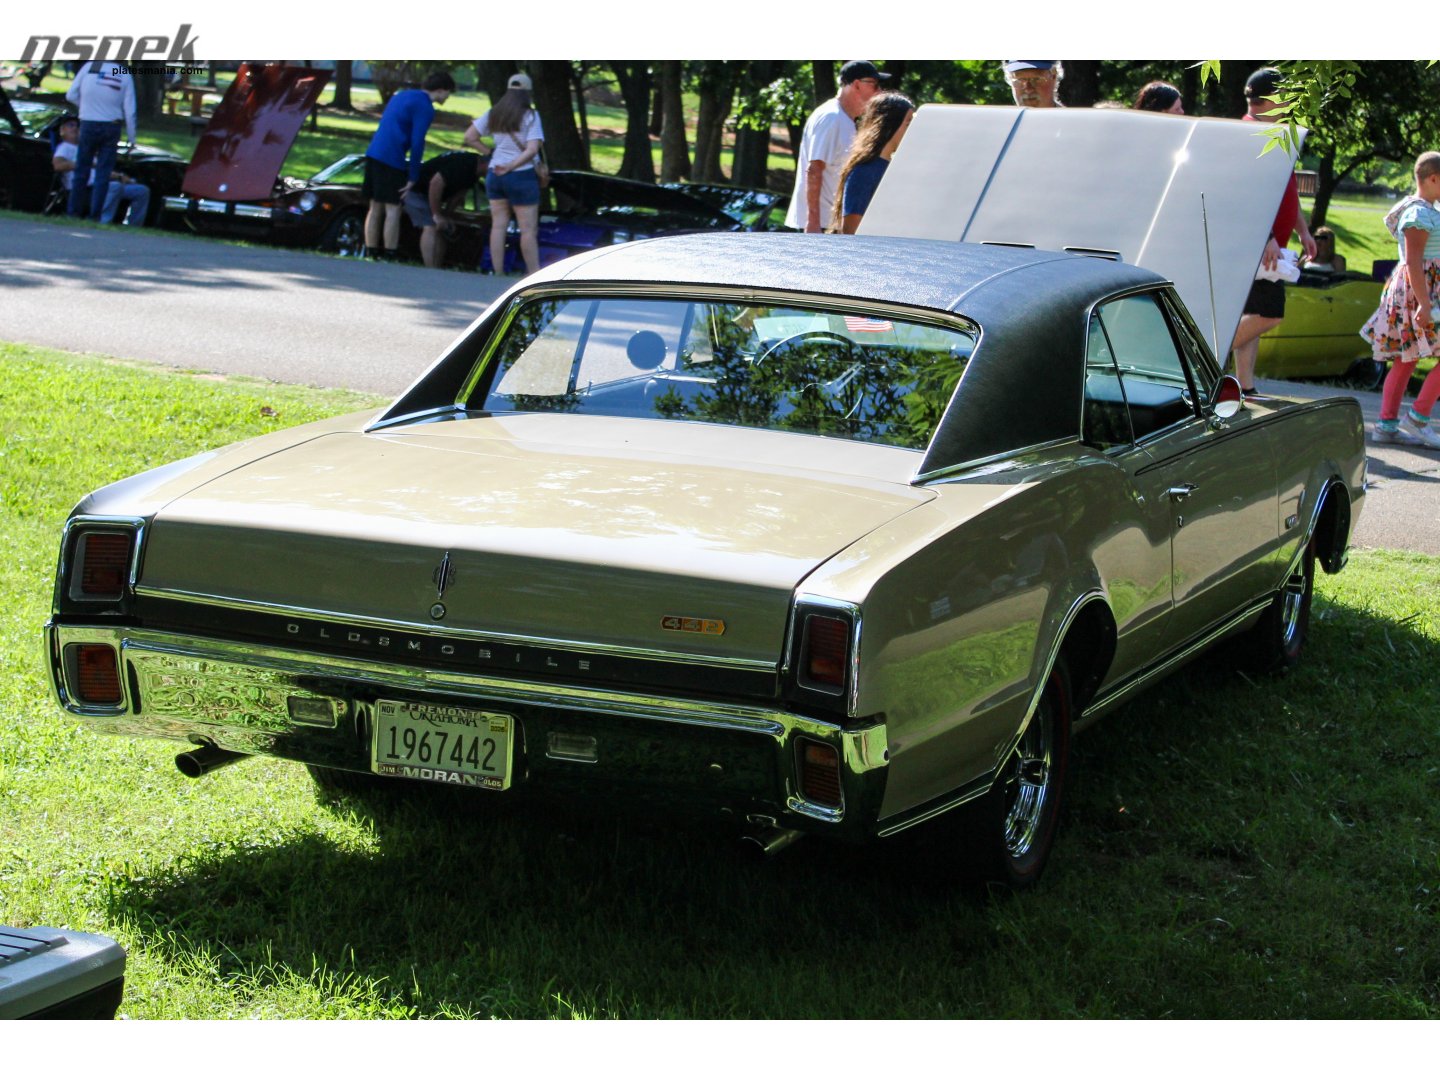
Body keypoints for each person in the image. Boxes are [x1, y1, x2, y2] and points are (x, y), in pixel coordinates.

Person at [1229, 68, 1317, 395]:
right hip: (1257, 243)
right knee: (1269, 314)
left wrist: (1304, 231)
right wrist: (1264, 236)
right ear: (1270, 99)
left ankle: (1244, 386)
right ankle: (1205, 359)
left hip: (1271, 243)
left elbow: (1287, 191)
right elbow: (1245, 193)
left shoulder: (1279, 133)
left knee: (1254, 314)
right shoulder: (1249, 134)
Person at [1360, 151, 1440, 448]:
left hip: (1421, 294)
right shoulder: (1418, 213)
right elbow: (1414, 261)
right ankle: (1417, 419)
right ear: (1433, 178)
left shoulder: (1426, 209)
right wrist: (1425, 304)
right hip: (1420, 295)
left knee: (1407, 359)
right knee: (1407, 358)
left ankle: (1386, 424)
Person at [783, 61, 887, 234]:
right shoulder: (832, 117)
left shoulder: (844, 119)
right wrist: (813, 222)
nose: (879, 91)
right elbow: (815, 169)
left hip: (830, 224)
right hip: (821, 226)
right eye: (874, 85)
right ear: (856, 85)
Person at [364, 70, 456, 261]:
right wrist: (413, 175)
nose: (447, 97)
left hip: (374, 152)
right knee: (393, 208)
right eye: (448, 93)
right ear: (440, 90)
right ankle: (390, 252)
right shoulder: (425, 107)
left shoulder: (402, 95)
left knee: (375, 206)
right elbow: (417, 142)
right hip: (392, 158)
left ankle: (370, 251)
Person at [465, 73, 546, 276]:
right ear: (528, 92)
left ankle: (497, 271)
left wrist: (490, 154)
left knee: (498, 226)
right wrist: (511, 165)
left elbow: (470, 137)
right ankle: (534, 274)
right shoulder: (531, 115)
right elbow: (532, 149)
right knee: (527, 229)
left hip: (495, 174)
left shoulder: (494, 112)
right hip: (521, 176)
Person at [833, 92, 914, 235]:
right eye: (908, 124)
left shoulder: (895, 168)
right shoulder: (864, 171)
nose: (912, 131)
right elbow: (851, 230)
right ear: (889, 124)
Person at [64, 60, 136, 220]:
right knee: (103, 173)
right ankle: (95, 214)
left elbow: (71, 95)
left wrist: (85, 107)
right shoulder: (123, 73)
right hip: (111, 125)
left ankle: (73, 212)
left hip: (88, 123)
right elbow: (130, 110)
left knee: (81, 169)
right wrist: (132, 139)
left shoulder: (89, 68)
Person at [52, 115, 150, 226]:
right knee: (115, 187)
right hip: (85, 190)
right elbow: (58, 165)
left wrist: (119, 176)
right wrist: (84, 164)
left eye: (78, 126)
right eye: (71, 125)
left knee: (141, 191)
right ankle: (102, 222)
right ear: (62, 130)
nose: (75, 128)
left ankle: (133, 226)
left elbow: (99, 170)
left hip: (102, 184)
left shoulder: (85, 149)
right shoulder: (65, 147)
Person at [403, 150, 483, 269]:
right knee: (431, 225)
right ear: (485, 164)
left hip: (431, 195)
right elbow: (435, 183)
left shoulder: (474, 173)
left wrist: (446, 215)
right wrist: (436, 214)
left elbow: (459, 195)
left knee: (441, 226)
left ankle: (437, 268)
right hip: (416, 190)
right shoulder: (465, 164)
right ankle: (430, 267)